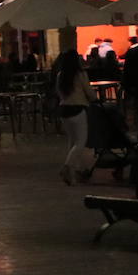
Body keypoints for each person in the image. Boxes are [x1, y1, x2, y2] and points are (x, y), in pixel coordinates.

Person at [52, 49, 95, 184]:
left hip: (64, 110)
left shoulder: (60, 75)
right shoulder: (80, 74)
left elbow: (58, 92)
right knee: (81, 141)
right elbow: (89, 92)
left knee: (72, 141)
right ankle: (67, 167)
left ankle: (76, 170)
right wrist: (94, 99)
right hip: (78, 109)